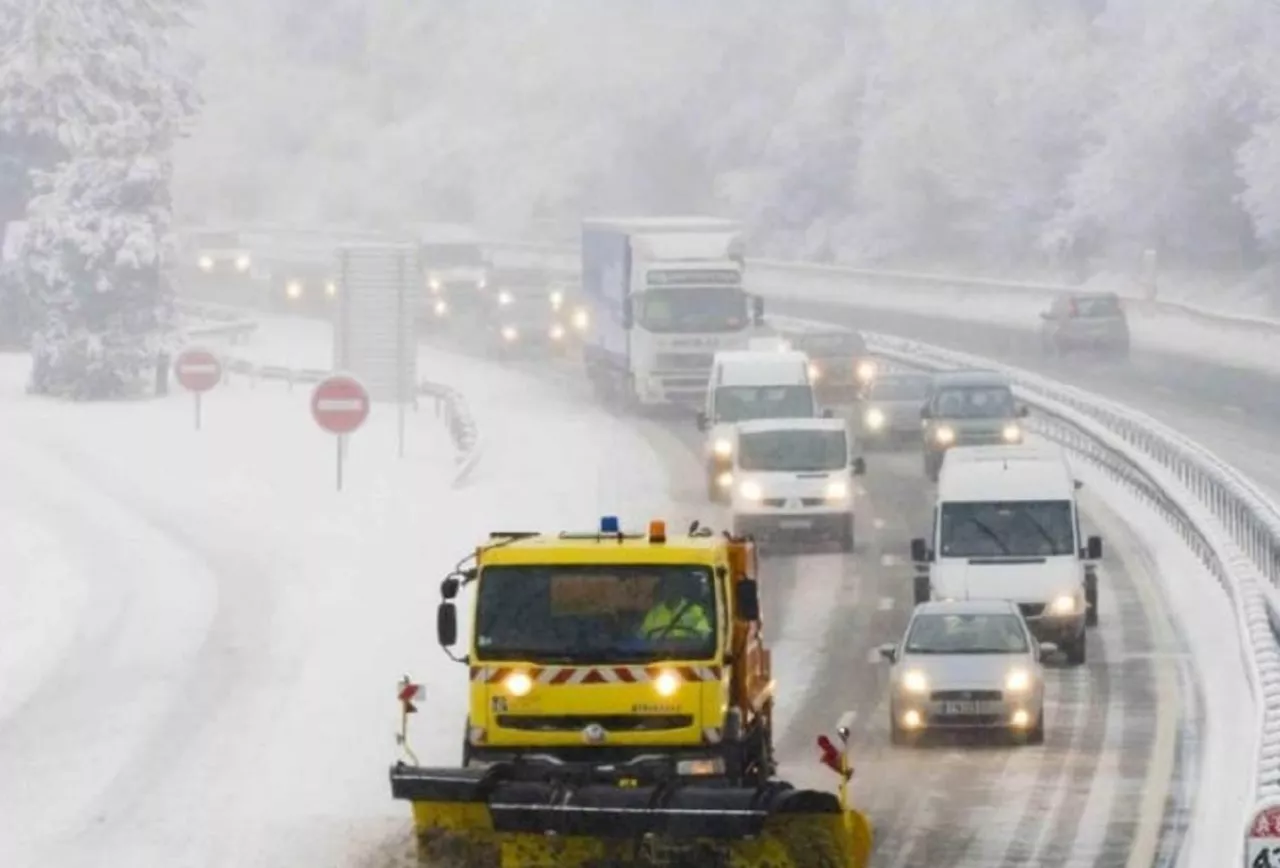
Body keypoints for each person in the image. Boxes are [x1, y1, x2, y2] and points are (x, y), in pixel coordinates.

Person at [638, 572, 712, 641]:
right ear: (664, 588)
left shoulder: (695, 611)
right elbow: (642, 638)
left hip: (689, 653)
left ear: (681, 588)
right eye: (668, 585)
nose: (672, 589)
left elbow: (705, 636)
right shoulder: (654, 613)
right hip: (660, 653)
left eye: (675, 585)